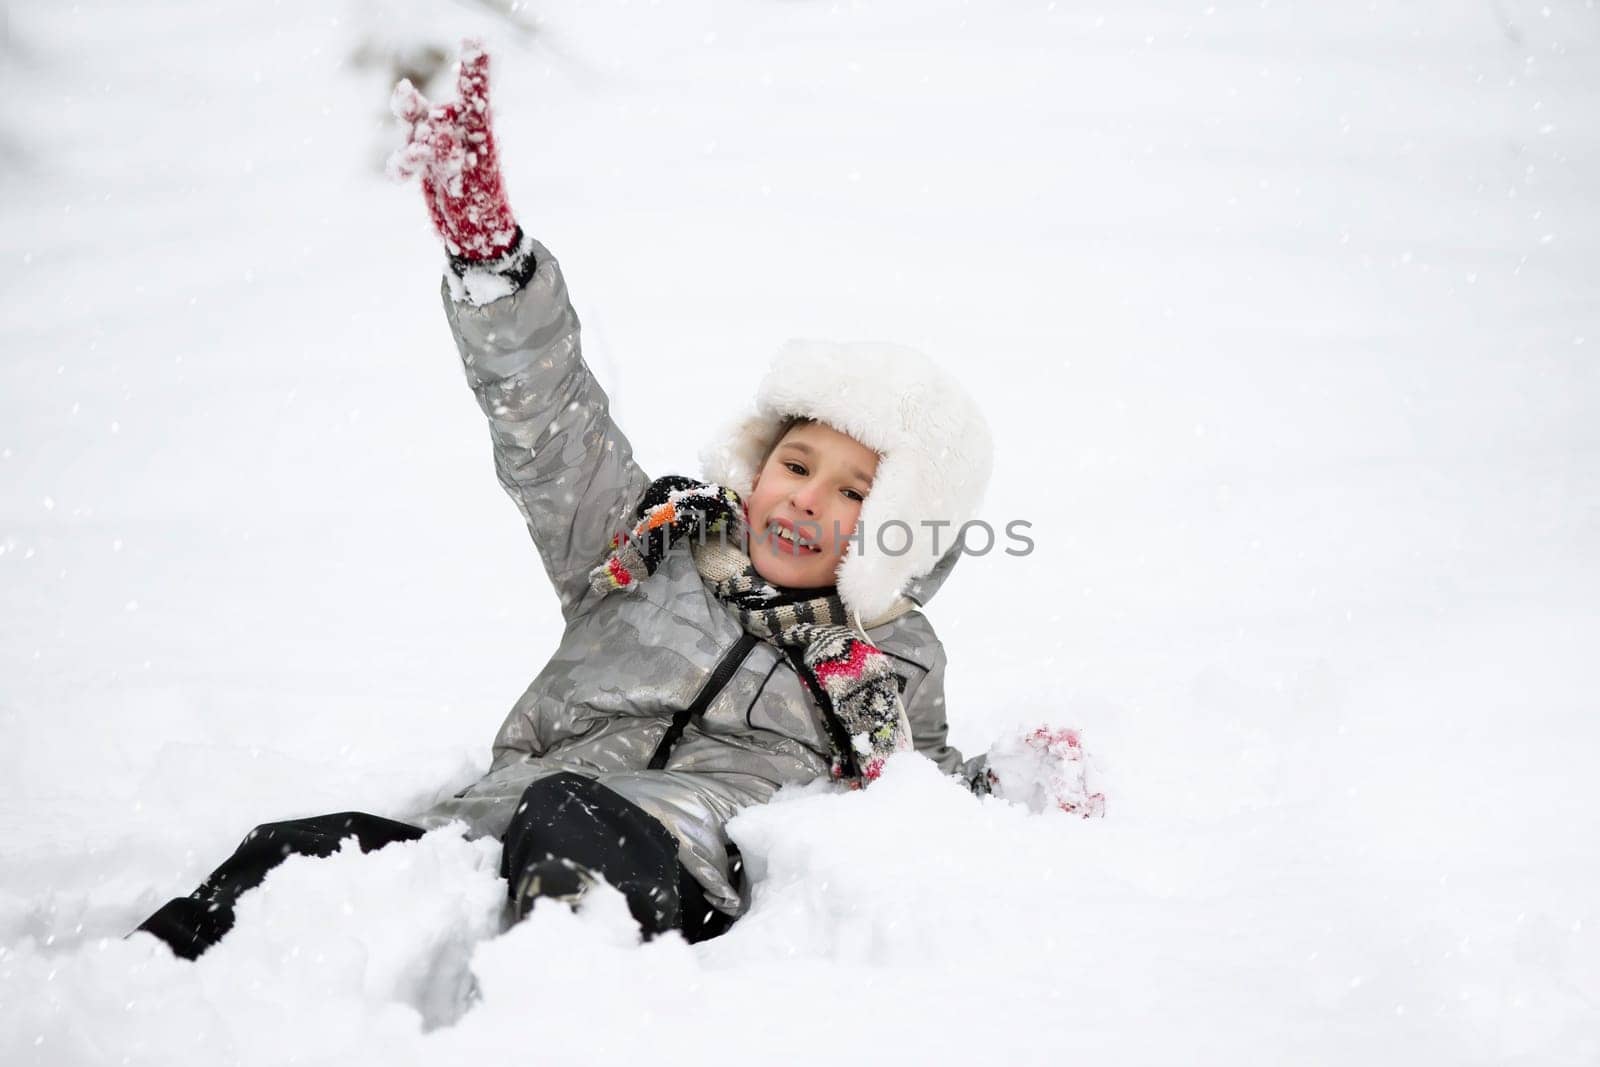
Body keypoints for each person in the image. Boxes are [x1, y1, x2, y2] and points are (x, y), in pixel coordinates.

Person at [133, 40, 1098, 962]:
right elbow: (552, 429)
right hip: (487, 823)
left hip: (668, 855)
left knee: (568, 815)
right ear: (756, 467)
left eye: (855, 491)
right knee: (304, 847)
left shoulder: (888, 659)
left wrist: (1012, 786)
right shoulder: (645, 550)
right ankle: (155, 985)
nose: (808, 498)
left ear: (896, 530)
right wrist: (490, 263)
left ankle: (543, 1013)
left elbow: (920, 784)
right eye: (796, 464)